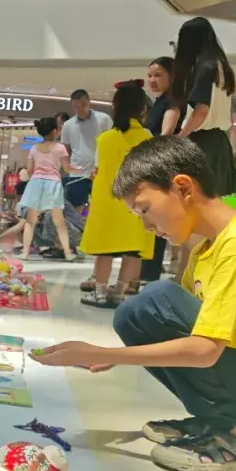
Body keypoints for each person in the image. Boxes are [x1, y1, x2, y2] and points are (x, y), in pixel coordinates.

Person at [33, 136, 236, 471]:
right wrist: (112, 355)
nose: (147, 227)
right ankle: (222, 419)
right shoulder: (210, 248)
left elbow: (205, 350)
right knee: (136, 314)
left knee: (155, 301)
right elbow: (185, 331)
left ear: (183, 187)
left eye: (144, 210)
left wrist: (102, 353)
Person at [78, 83, 155, 307]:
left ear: (115, 107)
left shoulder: (105, 139)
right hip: (137, 203)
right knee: (132, 251)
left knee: (104, 250)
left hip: (108, 203)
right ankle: (119, 293)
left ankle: (100, 292)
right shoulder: (147, 137)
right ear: (141, 109)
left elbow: (98, 170)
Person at [171, 16, 236, 198]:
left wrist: (181, 138)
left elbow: (201, 111)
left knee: (192, 200)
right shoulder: (221, 66)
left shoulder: (204, 68)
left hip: (201, 144)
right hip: (219, 143)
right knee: (211, 201)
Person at [139, 56, 182, 283]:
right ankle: (145, 274)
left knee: (156, 221)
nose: (152, 80)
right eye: (150, 76)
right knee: (152, 221)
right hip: (155, 165)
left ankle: (149, 276)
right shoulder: (160, 102)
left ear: (171, 77)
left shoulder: (172, 102)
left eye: (158, 75)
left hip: (161, 167)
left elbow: (166, 136)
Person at [16, 117, 81, 260]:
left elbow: (30, 170)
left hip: (35, 183)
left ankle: (25, 252)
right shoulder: (60, 148)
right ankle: (67, 253)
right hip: (53, 184)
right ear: (54, 131)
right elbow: (67, 168)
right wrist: (82, 170)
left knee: (30, 221)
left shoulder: (34, 149)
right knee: (59, 221)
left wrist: (36, 178)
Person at [60, 89, 112, 207]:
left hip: (100, 173)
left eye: (83, 105)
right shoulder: (68, 125)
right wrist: (66, 166)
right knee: (75, 210)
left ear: (89, 102)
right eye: (76, 107)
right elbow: (65, 149)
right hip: (77, 174)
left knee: (101, 207)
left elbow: (112, 143)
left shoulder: (104, 119)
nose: (80, 109)